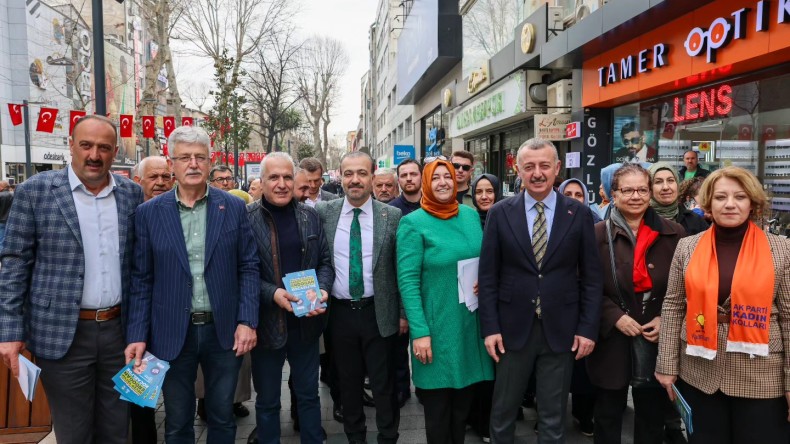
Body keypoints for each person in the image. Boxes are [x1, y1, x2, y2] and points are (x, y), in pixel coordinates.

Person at [0, 115, 144, 444]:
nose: (94, 154)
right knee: (74, 433)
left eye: (104, 148)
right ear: (70, 146)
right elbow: (14, 262)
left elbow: (139, 267)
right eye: (86, 145)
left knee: (117, 431)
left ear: (115, 151)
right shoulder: (35, 191)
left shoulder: (131, 195)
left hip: (119, 334)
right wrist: (9, 331)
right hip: (61, 334)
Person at [125, 125, 260, 443]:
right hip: (171, 333)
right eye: (185, 157)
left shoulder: (234, 207)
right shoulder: (148, 214)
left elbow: (249, 267)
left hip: (224, 332)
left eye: (200, 157)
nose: (194, 164)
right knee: (177, 422)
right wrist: (137, 335)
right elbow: (141, 279)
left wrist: (247, 321)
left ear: (211, 162)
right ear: (171, 164)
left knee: (222, 419)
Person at [479, 138, 602, 443]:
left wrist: (587, 329)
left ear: (557, 168)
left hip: (561, 330)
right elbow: (488, 276)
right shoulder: (499, 212)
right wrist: (490, 328)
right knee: (503, 412)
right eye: (529, 166)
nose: (537, 173)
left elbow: (591, 278)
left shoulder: (578, 213)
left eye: (544, 165)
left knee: (553, 416)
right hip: (511, 329)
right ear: (517, 169)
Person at [656, 167, 790, 443]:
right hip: (699, 373)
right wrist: (666, 364)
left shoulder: (781, 249)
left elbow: (789, 318)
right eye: (720, 197)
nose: (730, 204)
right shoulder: (687, 247)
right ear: (707, 204)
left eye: (739, 197)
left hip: (762, 378)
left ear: (752, 203)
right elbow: (672, 307)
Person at [396, 159, 494, 443]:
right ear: (427, 183)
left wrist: (484, 280)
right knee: (439, 412)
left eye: (447, 177)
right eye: (435, 177)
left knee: (463, 407)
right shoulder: (412, 224)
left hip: (470, 325)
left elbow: (483, 260)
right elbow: (408, 283)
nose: (442, 182)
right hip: (437, 328)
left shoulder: (469, 215)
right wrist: (420, 333)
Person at [586, 163, 684, 444]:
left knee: (651, 415)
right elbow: (585, 286)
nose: (636, 196)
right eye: (627, 190)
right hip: (612, 336)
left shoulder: (674, 233)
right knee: (607, 413)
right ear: (612, 194)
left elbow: (688, 285)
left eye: (642, 189)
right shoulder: (596, 235)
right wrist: (613, 316)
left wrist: (666, 317)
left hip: (656, 336)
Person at [246, 152, 333, 444]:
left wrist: (322, 288)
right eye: (274, 177)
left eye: (287, 177)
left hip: (305, 324)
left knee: (308, 395)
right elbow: (241, 273)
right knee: (268, 400)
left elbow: (324, 262)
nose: (282, 184)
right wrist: (272, 293)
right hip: (267, 324)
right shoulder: (247, 219)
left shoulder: (310, 216)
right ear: (262, 181)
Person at [316, 151, 402, 444]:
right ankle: (356, 438)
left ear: (373, 175)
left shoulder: (391, 216)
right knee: (348, 383)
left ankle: (388, 437)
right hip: (338, 314)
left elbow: (400, 267)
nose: (355, 180)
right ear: (340, 175)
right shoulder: (324, 213)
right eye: (349, 173)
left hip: (379, 311)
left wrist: (402, 314)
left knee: (383, 384)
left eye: (362, 173)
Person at [129, 155, 174, 444]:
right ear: (138, 181)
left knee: (173, 393)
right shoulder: (128, 214)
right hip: (133, 315)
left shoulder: (176, 212)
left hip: (168, 316)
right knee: (138, 393)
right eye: (153, 177)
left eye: (165, 177)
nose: (160, 183)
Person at [649, 162, 709, 235]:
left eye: (670, 180)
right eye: (658, 182)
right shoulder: (640, 219)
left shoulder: (694, 220)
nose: (666, 187)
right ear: (649, 188)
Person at [0, 180, 13, 250]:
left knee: (1, 240)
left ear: (2, 187)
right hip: (11, 221)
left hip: (1, 221)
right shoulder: (14, 195)